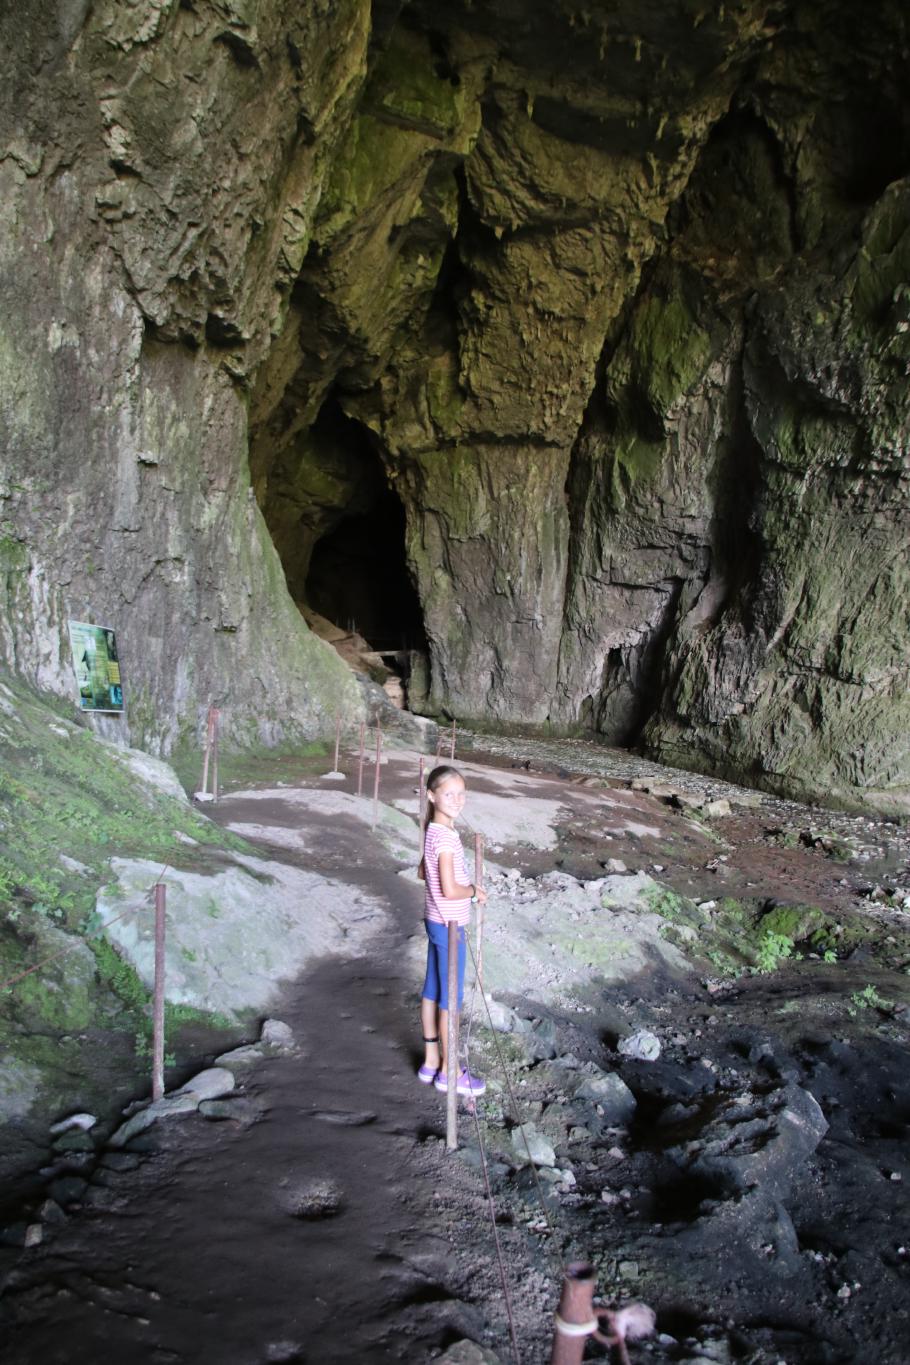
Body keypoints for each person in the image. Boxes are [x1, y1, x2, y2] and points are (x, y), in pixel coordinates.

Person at [417, 764, 488, 1096]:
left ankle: (431, 1059)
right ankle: (450, 1071)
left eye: (462, 793)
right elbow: (448, 888)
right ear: (432, 795)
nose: (457, 799)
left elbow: (423, 872)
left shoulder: (432, 830)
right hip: (451, 925)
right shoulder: (445, 838)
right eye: (449, 794)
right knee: (452, 1000)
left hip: (435, 921)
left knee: (432, 990)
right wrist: (473, 891)